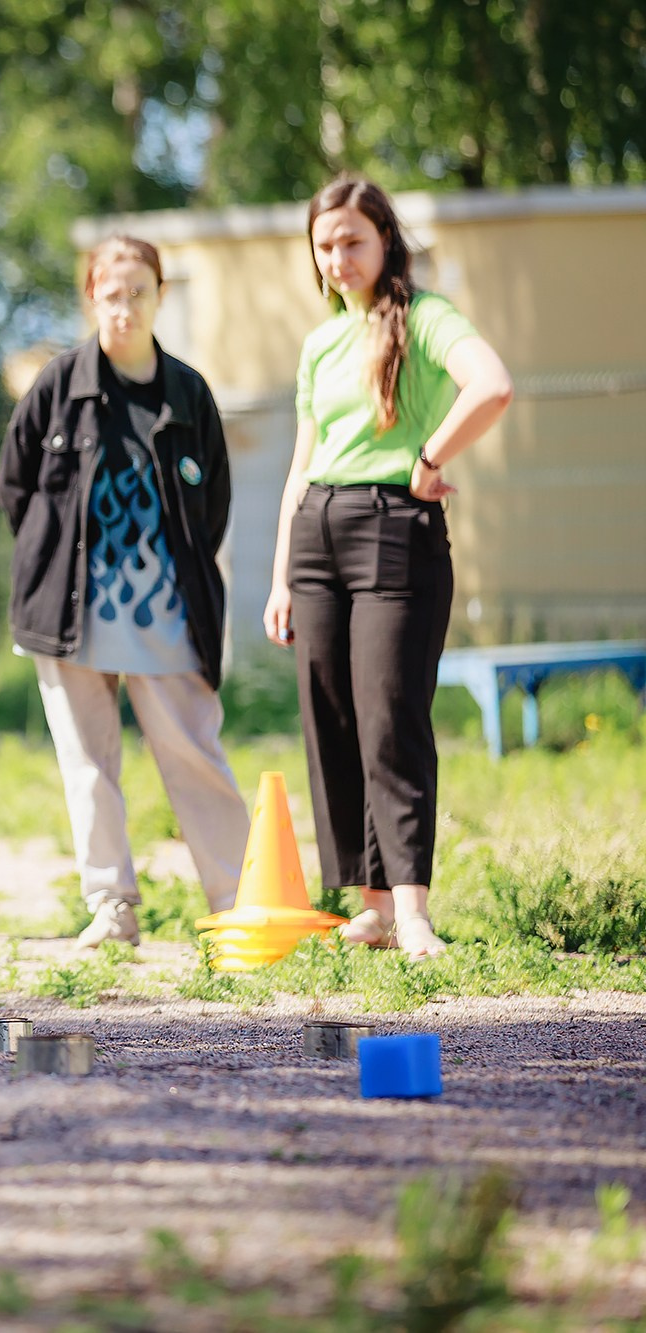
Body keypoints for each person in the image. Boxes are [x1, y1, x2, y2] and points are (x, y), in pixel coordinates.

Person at [264, 176, 513, 960]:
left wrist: (432, 453)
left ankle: (411, 908)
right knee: (331, 717)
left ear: (384, 241)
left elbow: (494, 385)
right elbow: (301, 464)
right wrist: (279, 575)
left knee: (390, 716)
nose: (338, 258)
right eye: (324, 244)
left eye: (353, 241)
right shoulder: (320, 342)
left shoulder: (426, 317)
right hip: (316, 534)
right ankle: (365, 903)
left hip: (393, 531)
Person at [0, 237, 250, 948]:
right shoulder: (57, 384)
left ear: (160, 296)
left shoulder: (188, 392)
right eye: (111, 292)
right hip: (70, 615)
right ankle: (113, 908)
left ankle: (236, 905)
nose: (125, 306)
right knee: (88, 766)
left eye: (139, 290)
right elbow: (15, 486)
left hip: (168, 614)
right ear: (91, 298)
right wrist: (57, 564)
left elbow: (215, 503)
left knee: (196, 753)